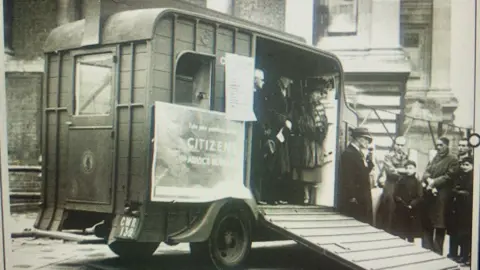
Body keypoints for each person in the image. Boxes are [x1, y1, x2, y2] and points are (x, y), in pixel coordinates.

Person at [420, 137, 459, 255]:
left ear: (447, 145)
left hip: (443, 195)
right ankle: (427, 250)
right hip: (430, 193)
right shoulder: (434, 158)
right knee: (427, 221)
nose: (438, 147)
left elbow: (449, 175)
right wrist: (429, 180)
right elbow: (426, 171)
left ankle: (437, 252)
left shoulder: (453, 159)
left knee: (440, 224)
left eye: (441, 145)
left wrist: (435, 182)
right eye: (437, 145)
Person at [337, 127, 375, 225]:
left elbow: (363, 173)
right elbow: (348, 177)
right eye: (366, 139)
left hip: (361, 196)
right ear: (358, 138)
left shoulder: (358, 153)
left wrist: (369, 161)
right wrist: (352, 196)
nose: (367, 142)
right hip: (356, 198)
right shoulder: (349, 154)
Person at [376, 136, 409, 233]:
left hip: (402, 185)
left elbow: (409, 169)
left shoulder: (406, 156)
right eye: (398, 144)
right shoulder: (388, 156)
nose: (400, 147)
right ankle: (387, 229)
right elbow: (391, 172)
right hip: (391, 184)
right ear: (394, 144)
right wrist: (403, 171)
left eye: (402, 145)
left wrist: (399, 170)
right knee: (390, 205)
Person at [447, 137, 473, 260]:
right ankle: (453, 253)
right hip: (456, 205)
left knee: (465, 232)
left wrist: (459, 192)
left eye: (464, 145)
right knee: (454, 230)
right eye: (460, 145)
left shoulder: (472, 169)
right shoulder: (456, 163)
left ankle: (464, 255)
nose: (461, 147)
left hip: (467, 206)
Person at [391, 160, 423, 243]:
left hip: (412, 211)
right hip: (401, 210)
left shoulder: (417, 182)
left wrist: (412, 204)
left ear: (415, 169)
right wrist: (398, 199)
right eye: (407, 168)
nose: (409, 170)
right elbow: (395, 193)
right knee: (401, 233)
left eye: (411, 168)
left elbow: (420, 196)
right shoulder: (401, 180)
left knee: (410, 234)